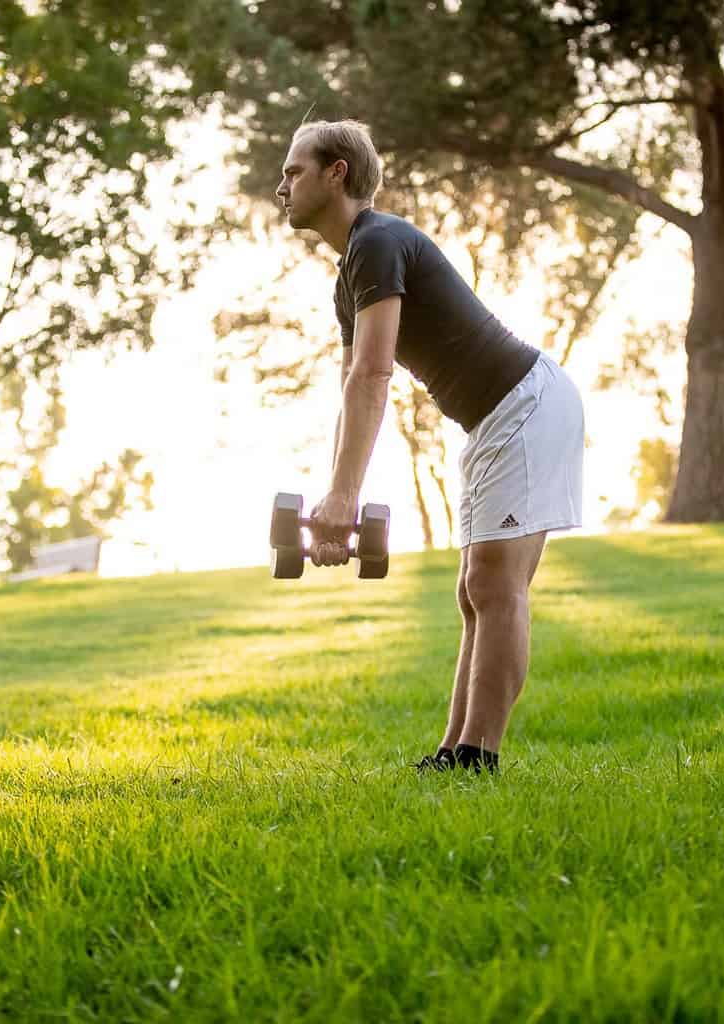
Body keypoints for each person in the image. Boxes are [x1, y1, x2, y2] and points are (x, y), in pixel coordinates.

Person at [276, 119, 585, 774]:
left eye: (294, 170)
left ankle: (479, 758)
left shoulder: (379, 240)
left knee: (496, 585)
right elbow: (349, 390)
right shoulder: (350, 276)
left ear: (338, 172)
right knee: (475, 589)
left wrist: (343, 496)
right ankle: (454, 753)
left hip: (525, 404)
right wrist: (338, 502)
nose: (282, 187)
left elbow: (374, 373)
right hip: (495, 419)